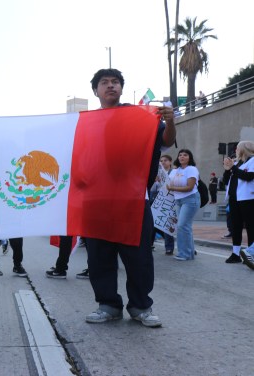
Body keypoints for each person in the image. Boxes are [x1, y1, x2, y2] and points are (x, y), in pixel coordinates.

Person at [84, 69, 175, 328]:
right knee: (99, 256)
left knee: (139, 256)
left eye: (115, 82)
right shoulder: (85, 123)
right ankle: (108, 305)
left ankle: (140, 307)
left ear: (122, 89)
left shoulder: (139, 117)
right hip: (97, 200)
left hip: (133, 199)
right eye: (104, 83)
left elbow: (166, 142)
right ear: (95, 91)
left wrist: (171, 122)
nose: (110, 86)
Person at [223, 141, 254, 265]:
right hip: (234, 198)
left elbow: (248, 177)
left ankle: (251, 255)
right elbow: (226, 181)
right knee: (236, 226)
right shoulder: (236, 163)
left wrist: (233, 168)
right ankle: (235, 254)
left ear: (243, 149)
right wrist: (227, 170)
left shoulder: (252, 161)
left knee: (251, 227)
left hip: (248, 198)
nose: (235, 150)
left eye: (237, 148)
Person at [167, 149, 200, 261]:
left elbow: (189, 187)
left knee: (182, 226)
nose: (182, 157)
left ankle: (184, 254)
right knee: (185, 227)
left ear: (189, 158)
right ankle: (189, 253)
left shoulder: (191, 169)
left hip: (190, 199)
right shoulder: (174, 171)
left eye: (185, 155)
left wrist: (172, 188)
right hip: (178, 200)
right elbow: (167, 183)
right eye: (180, 155)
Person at [151, 155, 175, 255]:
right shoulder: (157, 173)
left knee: (167, 224)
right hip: (157, 200)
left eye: (165, 160)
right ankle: (149, 244)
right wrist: (155, 181)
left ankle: (169, 247)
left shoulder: (174, 173)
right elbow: (152, 189)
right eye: (161, 161)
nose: (163, 162)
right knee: (153, 224)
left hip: (169, 201)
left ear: (170, 162)